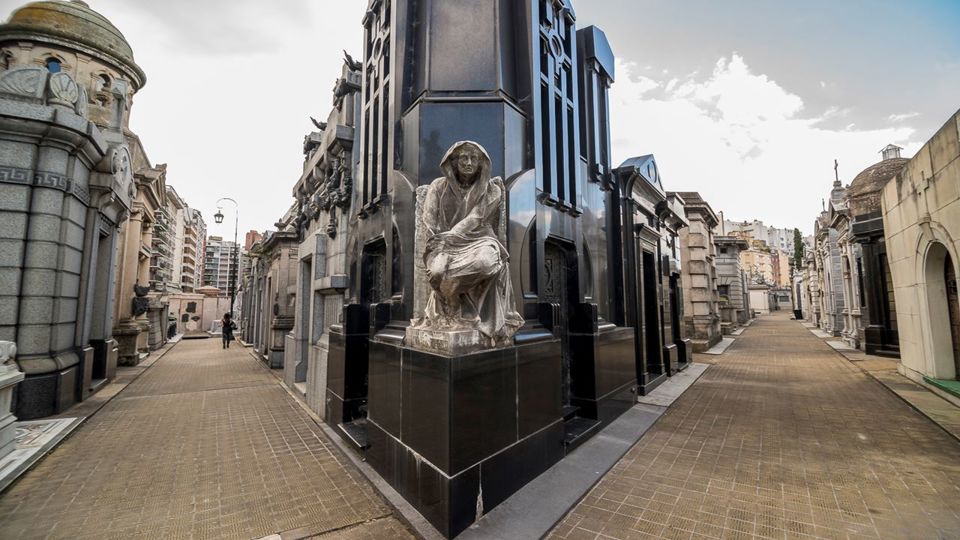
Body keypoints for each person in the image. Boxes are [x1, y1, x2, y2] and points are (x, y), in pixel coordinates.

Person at [413, 141, 523, 345]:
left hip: (480, 240)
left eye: (474, 158)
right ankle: (451, 300)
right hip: (444, 244)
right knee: (436, 272)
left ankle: (454, 299)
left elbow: (476, 217)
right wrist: (439, 246)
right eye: (464, 157)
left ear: (482, 163)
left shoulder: (492, 190)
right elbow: (429, 220)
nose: (469, 162)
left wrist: (452, 235)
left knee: (485, 263)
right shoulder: (438, 186)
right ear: (453, 161)